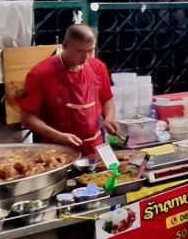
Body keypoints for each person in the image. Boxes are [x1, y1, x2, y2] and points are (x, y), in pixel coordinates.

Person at [19, 25, 118, 157]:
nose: (86, 57)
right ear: (65, 45)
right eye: (80, 51)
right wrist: (58, 136)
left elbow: (107, 98)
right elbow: (27, 117)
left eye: (90, 50)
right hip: (57, 151)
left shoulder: (98, 67)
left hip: (97, 148)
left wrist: (109, 118)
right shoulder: (39, 74)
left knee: (114, 175)